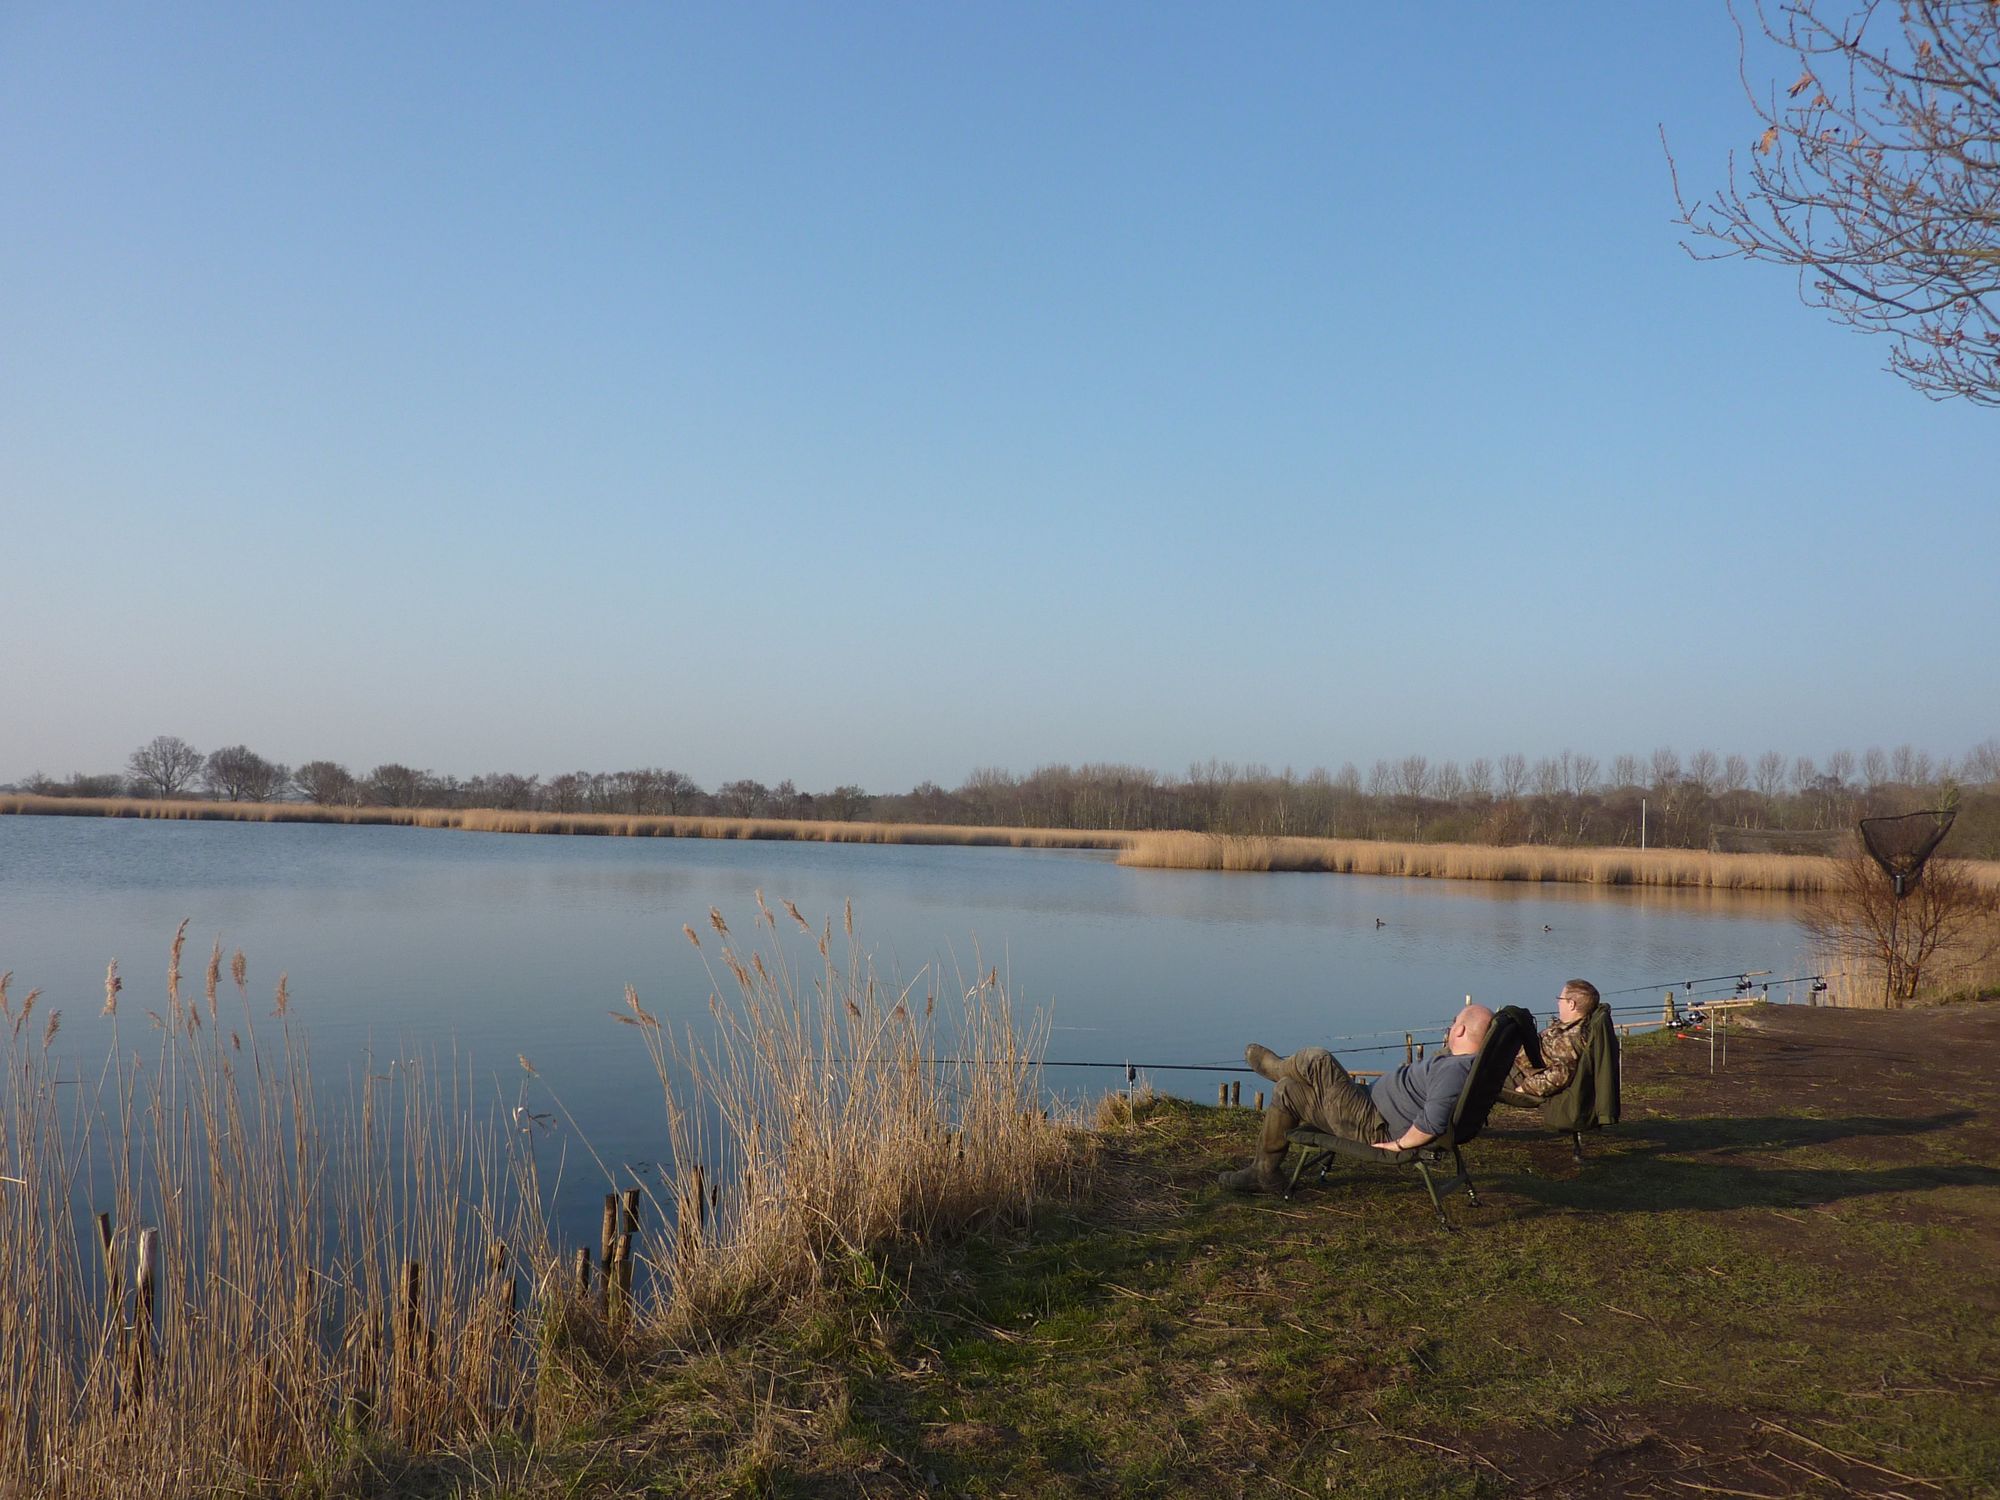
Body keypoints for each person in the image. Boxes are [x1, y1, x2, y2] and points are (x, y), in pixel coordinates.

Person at [1218, 1003, 1496, 1194]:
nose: (1450, 1026)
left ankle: (1276, 1067)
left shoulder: (1455, 1070)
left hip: (1371, 1123)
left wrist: (1399, 1144)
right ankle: (1264, 1172)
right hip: (1366, 1106)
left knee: (1318, 1060)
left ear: (1460, 1030)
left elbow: (1432, 1123)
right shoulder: (1461, 1062)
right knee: (1288, 1090)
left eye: (1454, 1021)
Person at [1505, 979, 1599, 1100]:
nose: (1558, 1003)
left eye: (1560, 999)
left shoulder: (1568, 1038)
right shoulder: (1570, 1027)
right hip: (1516, 1064)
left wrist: (1525, 1087)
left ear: (1571, 1004)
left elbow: (1560, 1075)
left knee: (1475, 1071)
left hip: (1517, 1074)